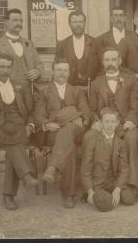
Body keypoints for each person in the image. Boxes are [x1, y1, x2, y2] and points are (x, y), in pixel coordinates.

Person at [0, 54, 38, 210]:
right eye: (2, 67)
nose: (5, 71)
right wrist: (5, 125)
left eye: (8, 67)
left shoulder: (20, 86)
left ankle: (9, 196)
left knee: (14, 145)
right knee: (15, 144)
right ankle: (24, 176)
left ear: (11, 68)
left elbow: (31, 111)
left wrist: (30, 126)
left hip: (20, 129)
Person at [33, 58, 91, 208]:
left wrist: (80, 118)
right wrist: (46, 124)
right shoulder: (44, 91)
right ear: (53, 71)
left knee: (70, 128)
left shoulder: (77, 90)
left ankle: (52, 168)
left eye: (65, 70)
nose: (62, 73)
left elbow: (85, 111)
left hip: (76, 130)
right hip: (54, 132)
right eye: (59, 70)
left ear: (69, 72)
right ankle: (68, 194)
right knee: (68, 144)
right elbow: (38, 114)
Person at [87, 47, 138, 201]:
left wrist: (131, 120)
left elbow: (135, 106)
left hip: (125, 123)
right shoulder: (96, 83)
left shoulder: (131, 80)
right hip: (104, 124)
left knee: (131, 139)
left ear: (119, 61)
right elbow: (91, 109)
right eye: (107, 60)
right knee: (90, 137)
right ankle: (92, 186)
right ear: (103, 62)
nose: (110, 63)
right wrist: (96, 121)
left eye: (113, 60)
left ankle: (133, 185)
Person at [81, 108, 136, 212]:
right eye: (106, 122)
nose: (110, 125)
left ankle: (109, 195)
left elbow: (124, 169)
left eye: (112, 122)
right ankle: (100, 196)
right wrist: (90, 191)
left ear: (117, 123)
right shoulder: (92, 141)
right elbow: (85, 170)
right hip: (98, 183)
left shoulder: (121, 143)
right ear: (101, 123)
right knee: (106, 205)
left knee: (130, 199)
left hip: (113, 182)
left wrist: (117, 189)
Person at [0, 8, 44, 86]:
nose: (19, 23)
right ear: (6, 22)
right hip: (8, 92)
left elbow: (39, 64)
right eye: (15, 20)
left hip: (30, 90)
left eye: (21, 21)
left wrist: (37, 71)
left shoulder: (29, 43)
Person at [54, 10, 101, 86]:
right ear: (69, 24)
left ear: (85, 23)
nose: (78, 25)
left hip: (91, 88)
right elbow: (56, 66)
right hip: (69, 88)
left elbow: (102, 67)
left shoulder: (95, 42)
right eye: (75, 22)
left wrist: (96, 84)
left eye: (80, 21)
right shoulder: (62, 44)